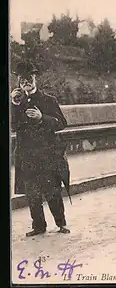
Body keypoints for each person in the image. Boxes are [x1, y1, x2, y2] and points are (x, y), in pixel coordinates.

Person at [11, 62, 71, 237]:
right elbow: (13, 126)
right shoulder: (17, 103)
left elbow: (61, 123)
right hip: (26, 156)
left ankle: (61, 223)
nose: (26, 83)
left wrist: (41, 118)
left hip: (47, 155)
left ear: (35, 79)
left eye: (29, 79)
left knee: (52, 190)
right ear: (19, 82)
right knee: (32, 194)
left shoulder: (48, 100)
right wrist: (14, 104)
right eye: (22, 80)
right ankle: (38, 226)